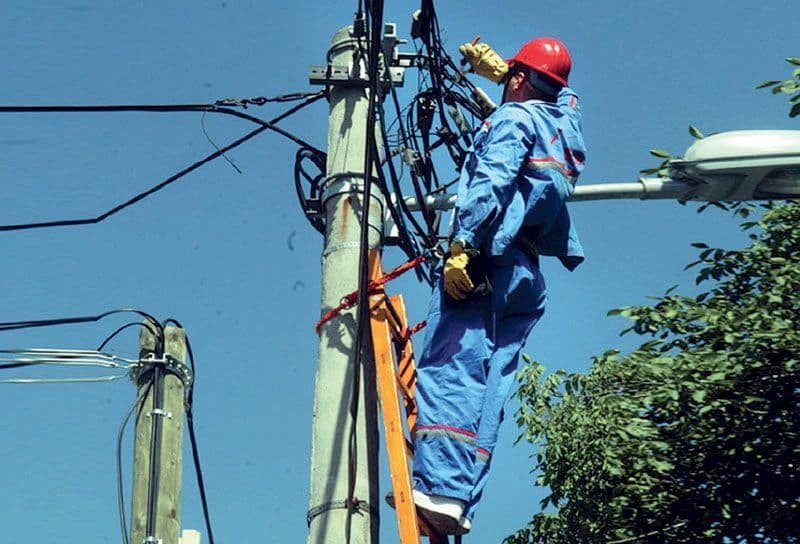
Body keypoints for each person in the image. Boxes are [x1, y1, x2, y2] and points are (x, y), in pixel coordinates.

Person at [409, 37, 586, 535]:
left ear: (518, 79)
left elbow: (492, 179)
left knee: (452, 365)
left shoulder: (512, 120)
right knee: (494, 384)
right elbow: (563, 100)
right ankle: (460, 499)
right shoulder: (563, 125)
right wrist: (510, 74)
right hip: (527, 276)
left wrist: (463, 244)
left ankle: (440, 486)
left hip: (490, 256)